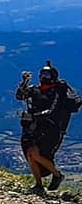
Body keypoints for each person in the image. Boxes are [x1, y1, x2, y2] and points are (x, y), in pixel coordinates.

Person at [15, 61, 69, 196]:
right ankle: (39, 185)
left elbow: (51, 111)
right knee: (30, 154)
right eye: (42, 74)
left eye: (46, 74)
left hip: (50, 129)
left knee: (36, 153)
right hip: (34, 127)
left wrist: (31, 116)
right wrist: (24, 82)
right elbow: (20, 96)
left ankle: (57, 175)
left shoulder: (56, 93)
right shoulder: (35, 89)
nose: (43, 77)